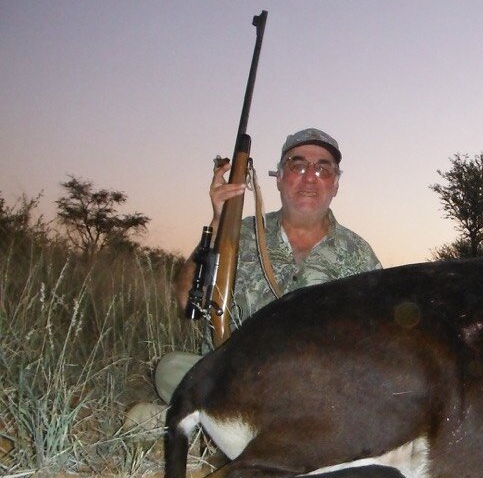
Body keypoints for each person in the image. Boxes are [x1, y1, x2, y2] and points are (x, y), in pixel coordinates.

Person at [125, 128, 380, 430]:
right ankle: (260, 436)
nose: (310, 177)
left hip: (315, 390)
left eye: (323, 168)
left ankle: (207, 431)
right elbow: (186, 300)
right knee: (170, 370)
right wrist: (219, 222)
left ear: (335, 184)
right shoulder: (240, 232)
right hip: (237, 380)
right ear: (279, 178)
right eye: (298, 165)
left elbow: (376, 341)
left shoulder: (359, 253)